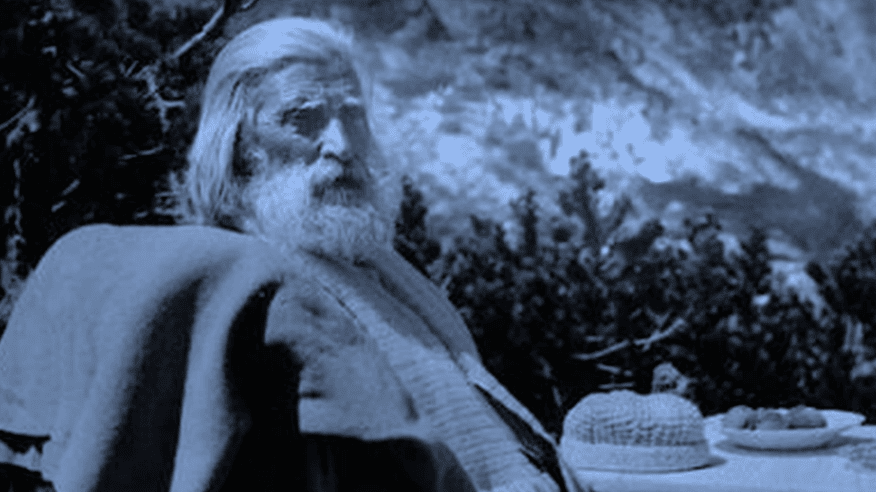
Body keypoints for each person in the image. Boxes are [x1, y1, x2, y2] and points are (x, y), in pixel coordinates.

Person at [0, 17, 586, 492]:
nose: (342, 145)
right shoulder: (250, 284)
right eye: (302, 120)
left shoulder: (375, 265)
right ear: (238, 147)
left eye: (352, 116)